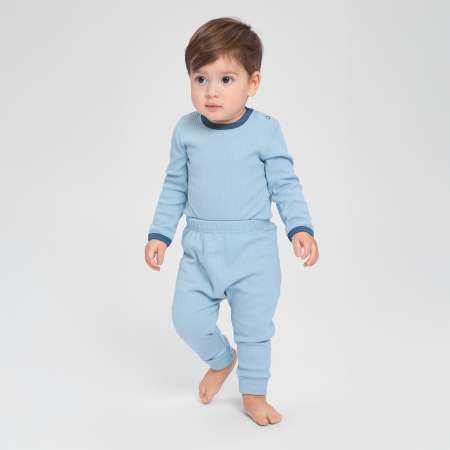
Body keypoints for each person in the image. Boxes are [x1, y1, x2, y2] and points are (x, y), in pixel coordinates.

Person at [144, 17, 319, 426]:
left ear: (252, 83)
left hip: (253, 251)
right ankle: (222, 359)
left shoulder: (265, 131)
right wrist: (160, 234)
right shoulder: (186, 131)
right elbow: (174, 186)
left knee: (254, 329)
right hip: (200, 247)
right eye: (200, 79)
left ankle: (254, 395)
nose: (211, 91)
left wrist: (300, 227)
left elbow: (285, 184)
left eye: (226, 79)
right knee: (186, 318)